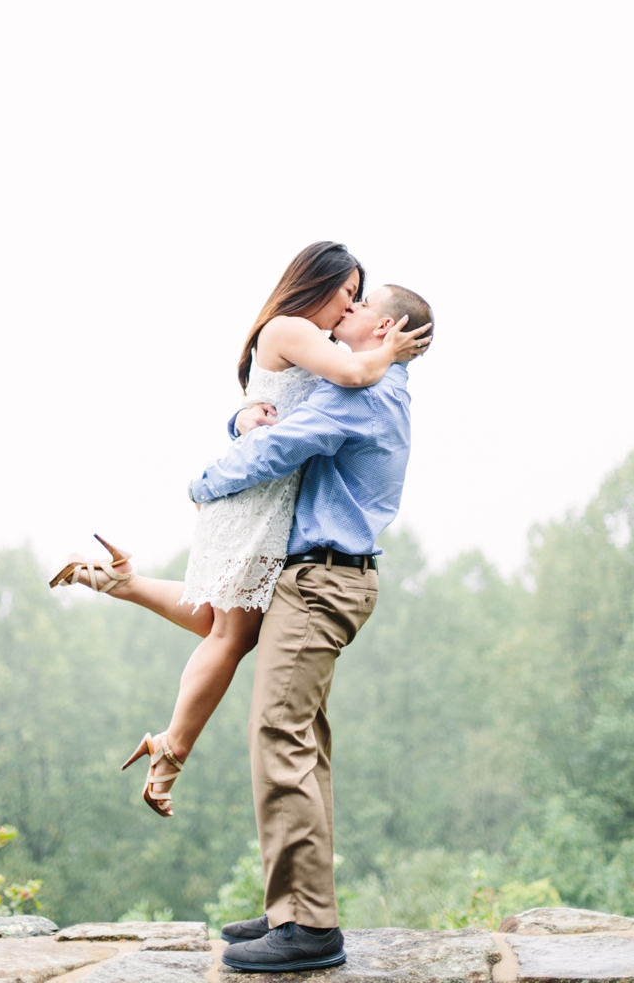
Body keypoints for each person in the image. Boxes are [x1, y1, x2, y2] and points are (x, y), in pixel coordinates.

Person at [49, 243, 431, 818]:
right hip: (255, 494)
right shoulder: (295, 329)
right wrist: (392, 350)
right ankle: (171, 749)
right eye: (346, 293)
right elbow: (343, 380)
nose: (348, 306)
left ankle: (116, 584)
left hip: (265, 497)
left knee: (218, 620)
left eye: (358, 299)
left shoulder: (321, 346)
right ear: (317, 284)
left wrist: (239, 417)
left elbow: (278, 402)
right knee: (231, 634)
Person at [191, 282, 434, 972]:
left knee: (280, 735)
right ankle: (290, 907)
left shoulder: (363, 392)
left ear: (383, 324)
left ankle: (308, 928)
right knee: (304, 742)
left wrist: (204, 480)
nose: (344, 315)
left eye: (359, 306)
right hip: (333, 578)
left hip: (321, 580)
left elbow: (283, 447)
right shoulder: (377, 388)